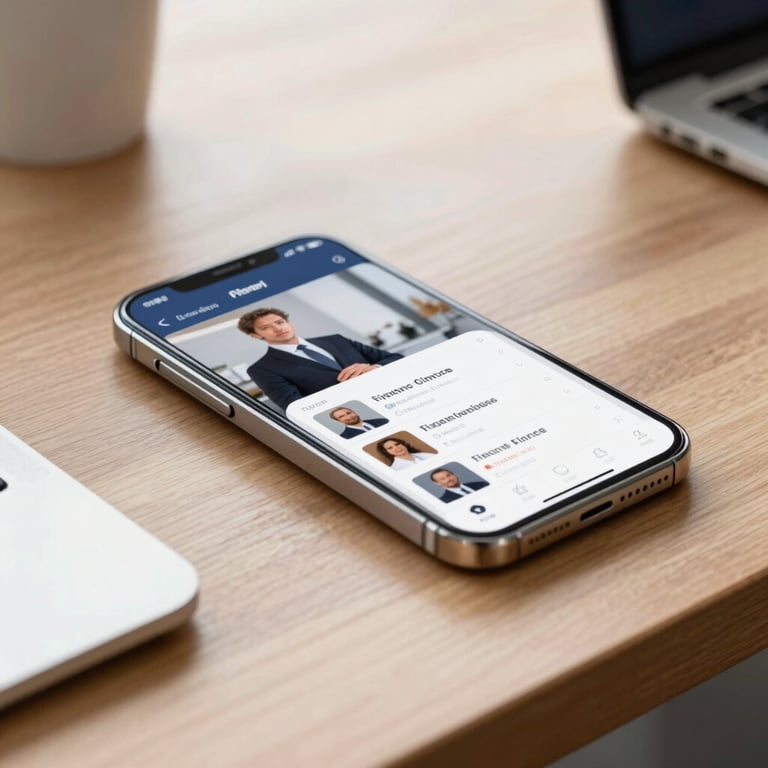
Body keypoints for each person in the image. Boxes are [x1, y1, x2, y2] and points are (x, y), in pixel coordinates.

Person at [238, 308, 403, 411]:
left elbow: (396, 358)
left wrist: (376, 368)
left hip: (396, 396)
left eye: (280, 322)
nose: (277, 328)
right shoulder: (262, 369)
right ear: (255, 335)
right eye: (265, 327)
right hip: (355, 412)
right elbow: (296, 407)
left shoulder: (335, 339)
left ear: (289, 323)